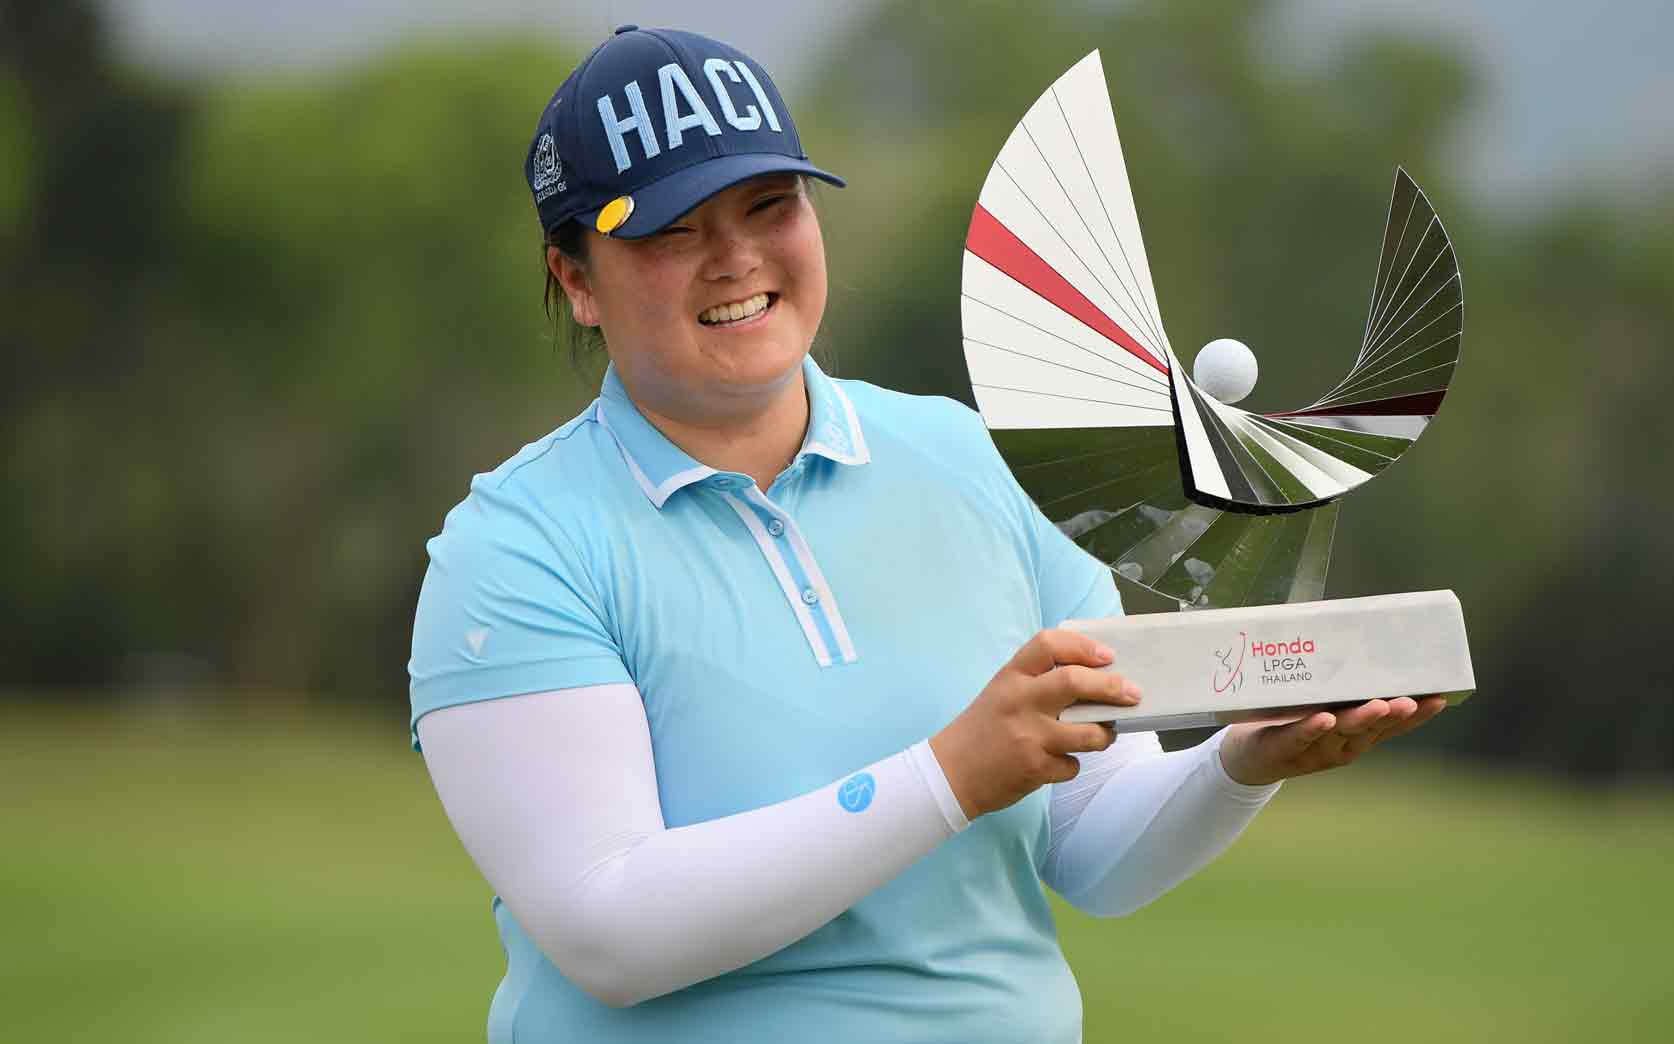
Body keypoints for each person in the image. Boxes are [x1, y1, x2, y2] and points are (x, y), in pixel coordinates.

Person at [408, 25, 1446, 1044]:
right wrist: (947, 774)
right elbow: (611, 934)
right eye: (671, 229)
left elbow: (1089, 846)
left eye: (769, 206)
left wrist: (1238, 763)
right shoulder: (515, 547)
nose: (734, 258)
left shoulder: (977, 463)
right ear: (576, 279)